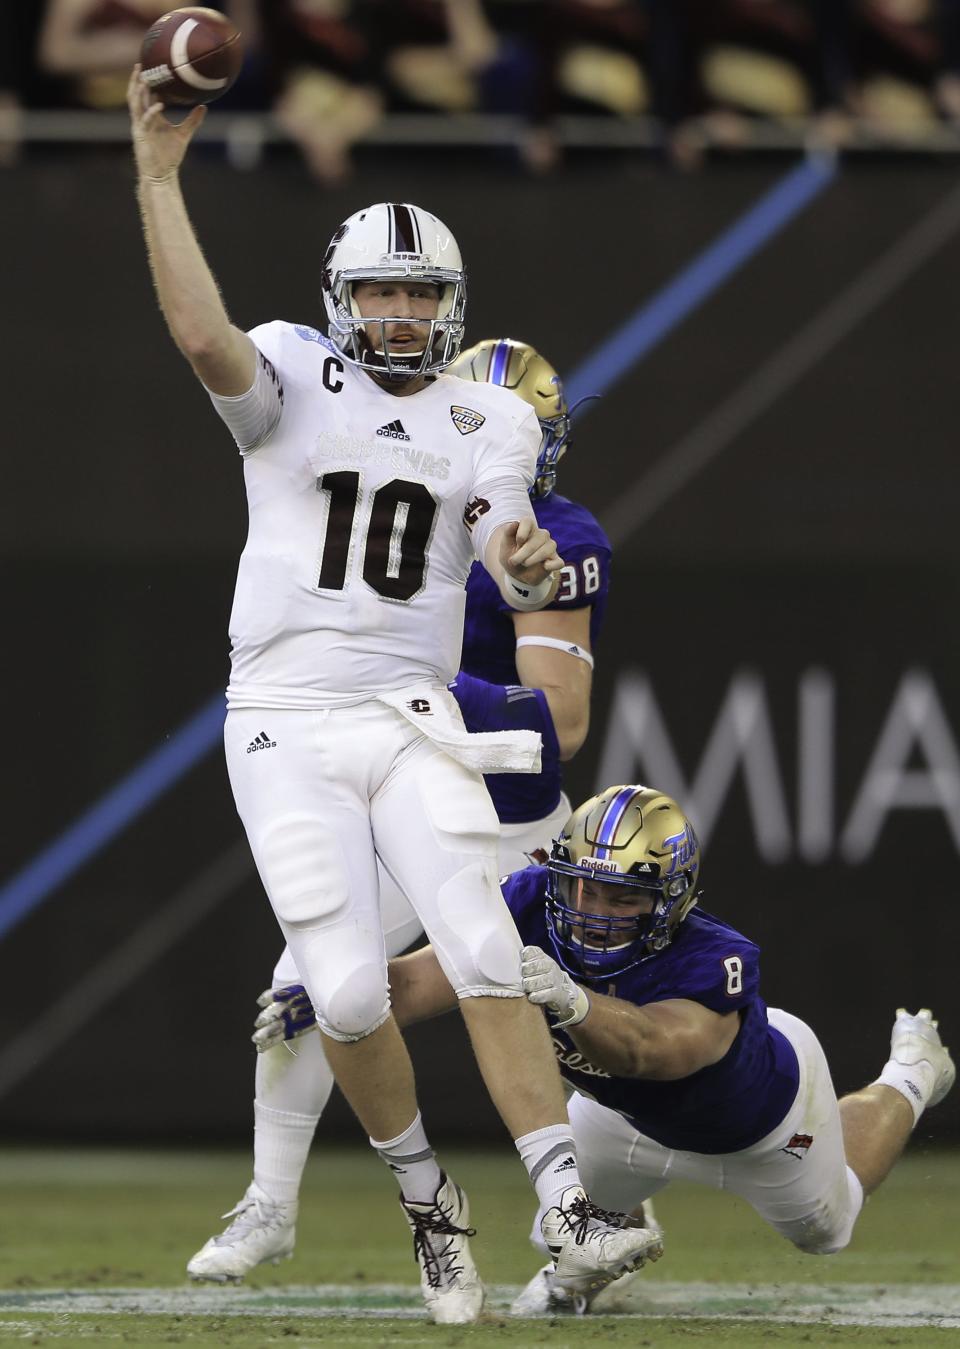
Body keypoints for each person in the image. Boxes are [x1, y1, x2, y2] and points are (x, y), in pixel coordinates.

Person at [127, 73, 660, 1324]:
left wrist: (522, 557)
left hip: (413, 711)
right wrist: (156, 175)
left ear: (452, 306)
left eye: (421, 293)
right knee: (348, 994)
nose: (402, 312)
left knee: (484, 944)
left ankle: (566, 1202)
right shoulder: (290, 376)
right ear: (340, 299)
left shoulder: (485, 414)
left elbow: (503, 515)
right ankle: (428, 1202)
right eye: (381, 289)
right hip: (282, 716)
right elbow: (205, 343)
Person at [186, 337, 614, 1283]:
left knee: (568, 999)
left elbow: (567, 718)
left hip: (507, 805)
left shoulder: (557, 535)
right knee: (306, 984)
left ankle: (593, 1212)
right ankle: (271, 1200)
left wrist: (400, 677)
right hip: (403, 765)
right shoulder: (393, 471)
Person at [382, 782, 956, 1315]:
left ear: (671, 900)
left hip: (760, 1122)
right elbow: (413, 986)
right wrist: (326, 993)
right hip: (621, 1116)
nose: (593, 914)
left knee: (827, 1231)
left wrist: (573, 1000)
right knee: (554, 1228)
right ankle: (615, 1238)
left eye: (621, 898)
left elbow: (654, 1050)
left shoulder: (715, 957)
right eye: (582, 887)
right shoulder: (528, 904)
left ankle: (909, 1073)